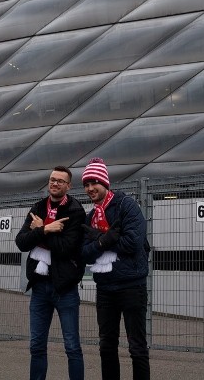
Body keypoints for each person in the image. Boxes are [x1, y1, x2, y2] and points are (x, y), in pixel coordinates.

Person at [80, 158, 151, 380]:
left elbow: (133, 243)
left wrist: (98, 239)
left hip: (131, 285)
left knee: (137, 347)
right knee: (106, 346)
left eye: (95, 183)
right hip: (105, 289)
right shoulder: (90, 216)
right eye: (86, 184)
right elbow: (84, 253)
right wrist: (105, 239)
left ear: (105, 183)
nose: (90, 188)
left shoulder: (125, 205)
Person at [15, 166, 86, 380]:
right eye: (52, 180)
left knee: (72, 347)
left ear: (68, 186)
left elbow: (66, 248)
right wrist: (46, 229)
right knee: (36, 345)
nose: (55, 184)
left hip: (65, 288)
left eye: (60, 181)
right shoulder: (38, 207)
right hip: (39, 287)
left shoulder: (75, 211)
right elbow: (21, 242)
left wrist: (38, 231)